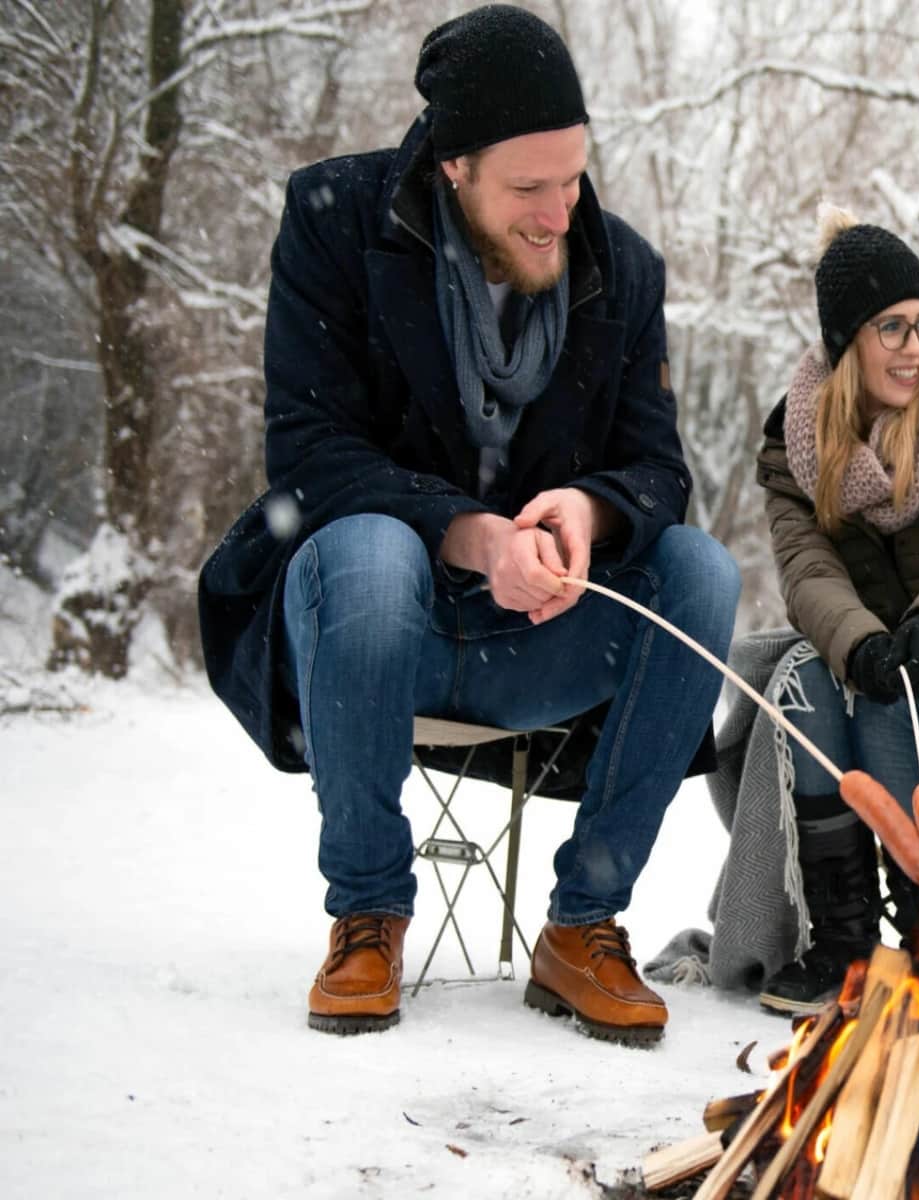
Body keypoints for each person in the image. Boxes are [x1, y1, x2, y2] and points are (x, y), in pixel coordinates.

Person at [196, 4, 738, 1046]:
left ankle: (585, 925)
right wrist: (474, 534)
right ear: (452, 167)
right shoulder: (334, 221)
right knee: (364, 543)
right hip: (360, 629)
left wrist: (588, 511)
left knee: (700, 572)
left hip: (532, 638)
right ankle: (366, 913)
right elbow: (308, 457)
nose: (557, 212)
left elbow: (658, 469)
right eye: (527, 188)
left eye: (573, 178)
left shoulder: (621, 269)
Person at [747, 208, 919, 1014]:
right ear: (846, 344)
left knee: (891, 704)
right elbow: (807, 569)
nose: (916, 347)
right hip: (860, 680)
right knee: (809, 678)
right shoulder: (794, 448)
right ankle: (843, 940)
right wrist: (863, 643)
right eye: (891, 328)